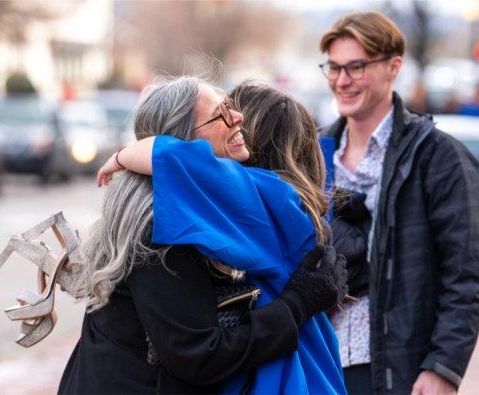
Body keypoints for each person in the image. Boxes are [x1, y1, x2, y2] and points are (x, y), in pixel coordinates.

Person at [59, 77, 347, 394]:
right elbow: (196, 353)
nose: (238, 118)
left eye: (232, 108)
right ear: (185, 145)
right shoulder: (161, 226)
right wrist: (297, 304)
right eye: (221, 113)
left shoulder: (204, 208)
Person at [318, 11, 479, 394]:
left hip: (396, 368)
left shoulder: (437, 155)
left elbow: (465, 275)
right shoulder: (314, 153)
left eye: (356, 67)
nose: (342, 81)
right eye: (333, 68)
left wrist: (444, 367)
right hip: (318, 364)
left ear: (393, 66)